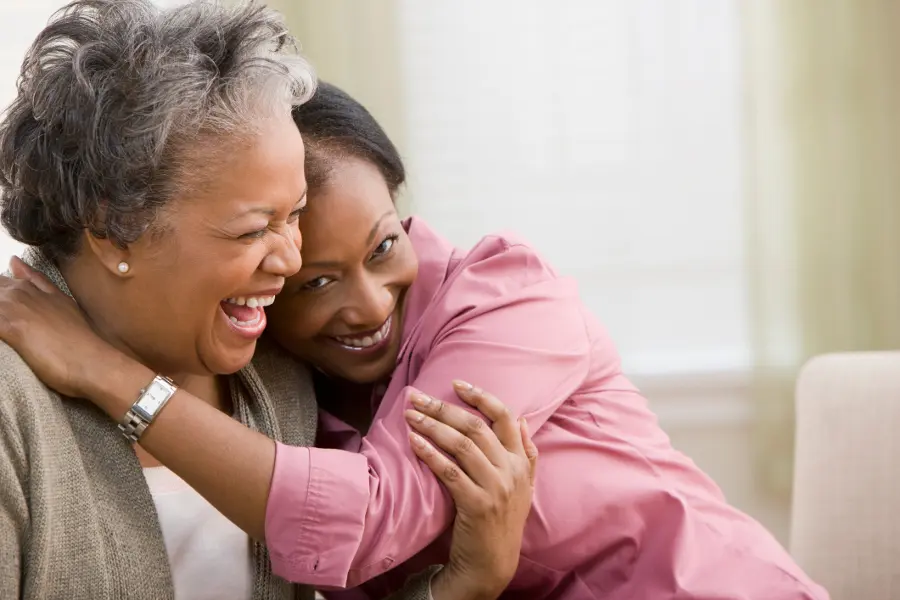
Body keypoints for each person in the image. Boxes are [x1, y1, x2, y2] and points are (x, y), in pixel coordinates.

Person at [1, 74, 829, 598]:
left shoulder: (503, 299)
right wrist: (469, 582)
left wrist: (106, 373)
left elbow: (371, 517)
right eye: (314, 280)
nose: (366, 304)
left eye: (384, 245)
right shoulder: (283, 391)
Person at [0, 2, 537, 599]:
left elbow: (364, 519)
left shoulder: (276, 371)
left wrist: (464, 584)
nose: (290, 260)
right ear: (113, 229)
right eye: (253, 229)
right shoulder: (11, 405)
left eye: (296, 214)